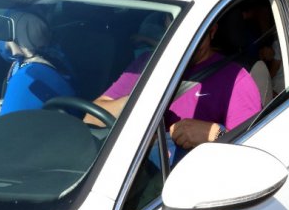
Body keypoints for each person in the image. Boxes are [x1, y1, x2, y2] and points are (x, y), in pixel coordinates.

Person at [91, 23, 261, 153]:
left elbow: (250, 155)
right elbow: (91, 118)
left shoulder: (235, 79)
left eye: (197, 32)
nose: (187, 42)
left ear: (212, 31)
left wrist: (215, 135)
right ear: (167, 25)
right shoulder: (146, 64)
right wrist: (138, 103)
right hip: (134, 175)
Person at [0, 11, 75, 131]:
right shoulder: (53, 60)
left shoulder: (27, 76)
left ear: (13, 36)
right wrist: (1, 103)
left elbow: (4, 133)